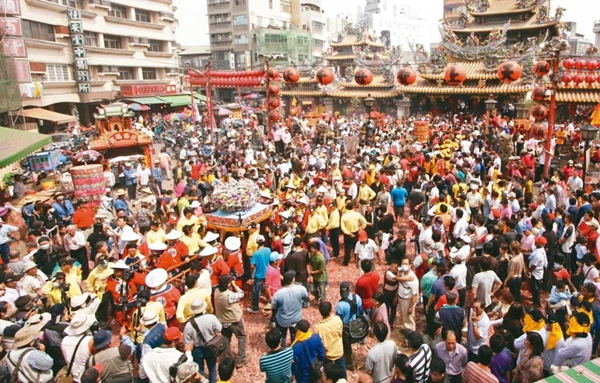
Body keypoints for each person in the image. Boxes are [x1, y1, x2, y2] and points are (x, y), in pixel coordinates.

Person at [183, 298, 222, 383]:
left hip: (197, 349)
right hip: (211, 345)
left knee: (199, 370)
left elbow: (187, 342)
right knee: (212, 368)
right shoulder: (211, 318)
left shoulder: (189, 325)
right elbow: (219, 329)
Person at [214, 275, 247, 368]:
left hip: (222, 320)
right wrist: (234, 285)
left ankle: (228, 358)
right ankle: (241, 359)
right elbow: (241, 294)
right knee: (242, 336)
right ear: (228, 284)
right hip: (233, 320)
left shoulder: (216, 291)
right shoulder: (229, 295)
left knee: (226, 339)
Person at [272, 270, 308, 347]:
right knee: (295, 335)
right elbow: (305, 297)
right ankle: (294, 349)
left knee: (282, 337)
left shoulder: (278, 294)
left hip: (282, 320)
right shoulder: (301, 289)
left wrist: (274, 316)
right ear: (293, 279)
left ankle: (283, 351)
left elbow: (274, 307)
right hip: (296, 318)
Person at [314, 300, 346, 376]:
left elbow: (318, 343)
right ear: (330, 310)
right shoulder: (337, 319)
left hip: (327, 355)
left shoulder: (318, 327)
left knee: (328, 375)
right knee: (342, 373)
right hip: (339, 352)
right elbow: (340, 332)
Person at [248, 235, 270, 313]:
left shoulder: (256, 254)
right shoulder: (268, 250)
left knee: (256, 291)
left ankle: (255, 308)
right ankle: (269, 301)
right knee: (268, 288)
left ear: (257, 243)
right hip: (268, 273)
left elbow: (252, 265)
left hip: (259, 274)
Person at [396, 257, 419, 330]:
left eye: (406, 264)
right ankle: (406, 331)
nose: (404, 265)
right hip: (401, 298)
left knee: (409, 319)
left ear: (410, 265)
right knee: (404, 317)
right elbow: (398, 283)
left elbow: (414, 295)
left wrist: (411, 307)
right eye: (402, 264)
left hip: (408, 300)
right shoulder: (401, 272)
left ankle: (411, 334)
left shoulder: (413, 279)